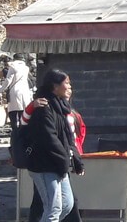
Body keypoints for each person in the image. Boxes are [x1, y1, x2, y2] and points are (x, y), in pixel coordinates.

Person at [24, 69, 85, 222]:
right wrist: (64, 160)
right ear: (54, 86)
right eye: (67, 83)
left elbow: (68, 137)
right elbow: (49, 138)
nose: (70, 87)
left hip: (58, 163)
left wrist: (76, 159)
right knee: (54, 208)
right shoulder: (43, 107)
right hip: (44, 164)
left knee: (67, 204)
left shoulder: (61, 107)